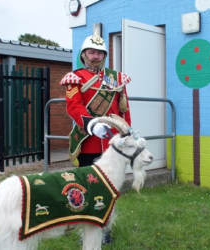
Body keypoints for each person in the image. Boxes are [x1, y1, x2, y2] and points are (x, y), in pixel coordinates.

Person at [60, 32, 132, 244]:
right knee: (87, 187)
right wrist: (91, 124)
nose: (95, 56)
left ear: (104, 55)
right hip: (88, 141)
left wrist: (126, 133)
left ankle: (106, 227)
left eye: (100, 52)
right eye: (91, 52)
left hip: (112, 145)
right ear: (84, 54)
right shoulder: (76, 78)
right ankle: (87, 229)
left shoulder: (116, 78)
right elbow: (73, 107)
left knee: (110, 188)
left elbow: (124, 109)